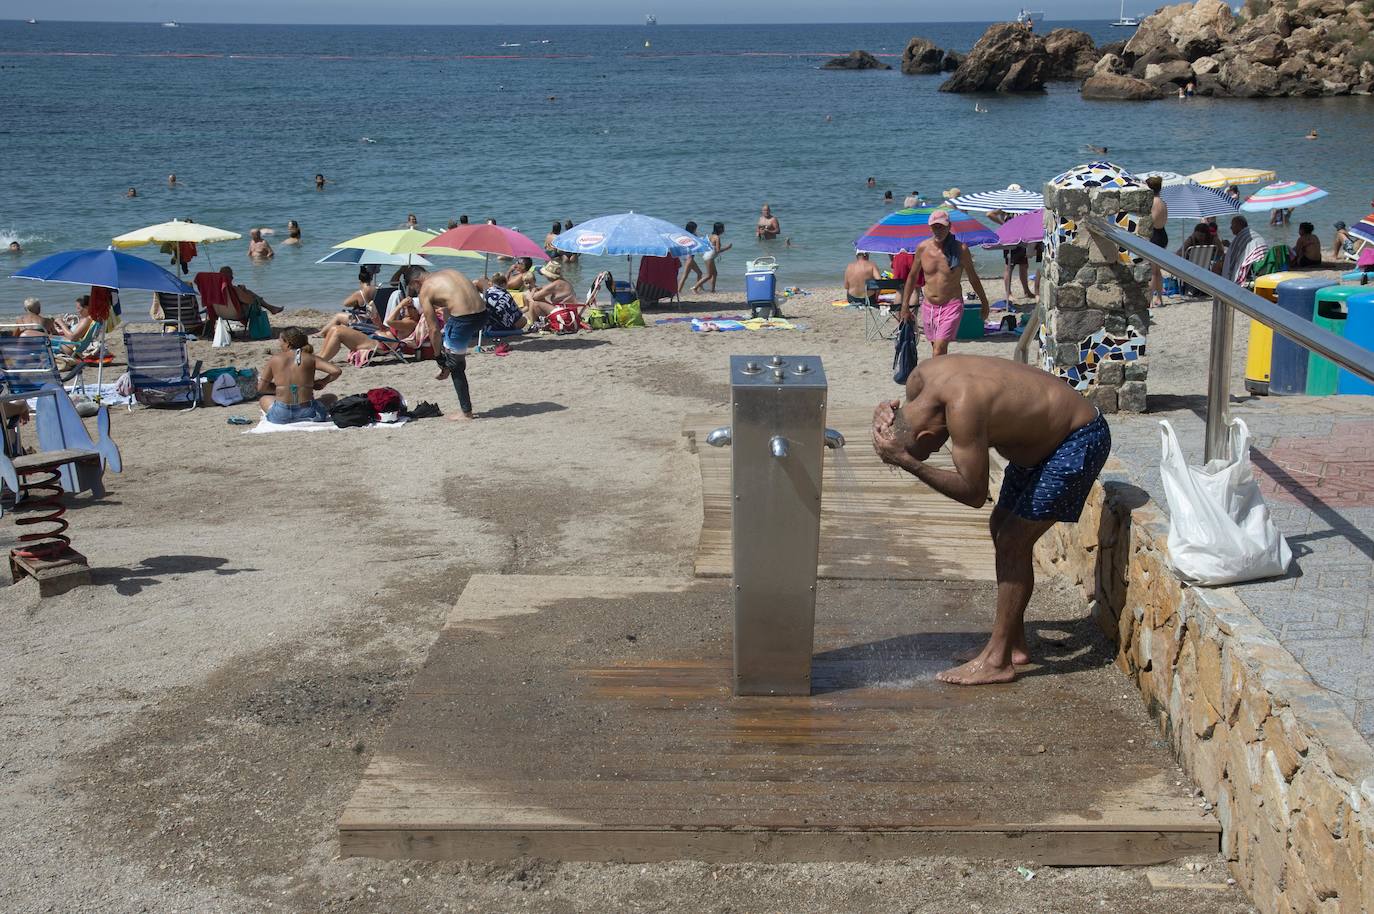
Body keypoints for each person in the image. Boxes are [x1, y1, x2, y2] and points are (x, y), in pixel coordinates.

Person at [870, 354, 1110, 685]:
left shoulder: (964, 408)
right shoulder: (919, 379)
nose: (941, 449)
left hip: (1077, 438)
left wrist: (910, 463)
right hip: (1041, 443)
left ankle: (997, 661)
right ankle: (1013, 645)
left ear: (926, 438)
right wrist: (882, 414)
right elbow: (901, 418)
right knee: (1001, 528)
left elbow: (973, 493)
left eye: (931, 450)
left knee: (1013, 539)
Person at [900, 209, 991, 357]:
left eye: (941, 226)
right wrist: (905, 306)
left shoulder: (960, 249)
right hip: (928, 306)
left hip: (951, 305)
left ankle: (936, 379)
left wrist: (984, 302)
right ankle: (943, 375)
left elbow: (973, 277)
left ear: (949, 226)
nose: (938, 230)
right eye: (935, 226)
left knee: (939, 349)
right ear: (930, 227)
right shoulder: (922, 248)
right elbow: (912, 277)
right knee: (937, 348)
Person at [419, 269, 487, 421]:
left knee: (457, 367)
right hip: (483, 315)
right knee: (449, 337)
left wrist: (437, 357)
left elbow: (433, 329)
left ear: (415, 282)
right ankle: (449, 364)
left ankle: (466, 413)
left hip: (464, 320)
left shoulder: (425, 289)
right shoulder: (450, 273)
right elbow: (453, 304)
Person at [257, 328, 340, 424]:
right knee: (331, 397)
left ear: (287, 342)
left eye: (280, 341)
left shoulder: (275, 359)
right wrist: (323, 381)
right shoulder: (311, 358)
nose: (279, 344)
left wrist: (283, 388)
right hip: (309, 412)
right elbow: (336, 371)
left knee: (264, 399)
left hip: (281, 414)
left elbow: (261, 388)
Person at [1223, 215, 1266, 286]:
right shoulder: (1253, 234)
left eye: (1232, 225)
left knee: (1219, 266)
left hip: (1253, 266)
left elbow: (1232, 259)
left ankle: (1222, 286)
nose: (1230, 228)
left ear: (1239, 225)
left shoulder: (1240, 237)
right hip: (1262, 262)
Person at [1146, 175, 1168, 308]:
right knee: (1157, 270)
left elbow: (1151, 221)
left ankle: (1149, 300)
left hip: (1155, 236)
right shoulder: (1162, 201)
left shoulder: (1154, 202)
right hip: (1162, 234)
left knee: (1152, 271)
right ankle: (1159, 298)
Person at [691, 222, 731, 294]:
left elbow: (713, 247)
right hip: (709, 257)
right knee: (709, 275)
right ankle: (695, 288)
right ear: (719, 229)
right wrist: (727, 248)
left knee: (715, 273)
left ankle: (712, 290)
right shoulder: (717, 237)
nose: (724, 230)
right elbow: (718, 250)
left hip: (708, 256)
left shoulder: (711, 236)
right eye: (723, 228)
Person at [678, 221, 704, 294]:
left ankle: (700, 288)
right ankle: (679, 291)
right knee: (685, 275)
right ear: (693, 229)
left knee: (699, 273)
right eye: (695, 228)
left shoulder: (684, 235)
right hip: (689, 258)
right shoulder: (692, 236)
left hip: (686, 257)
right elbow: (698, 245)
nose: (696, 230)